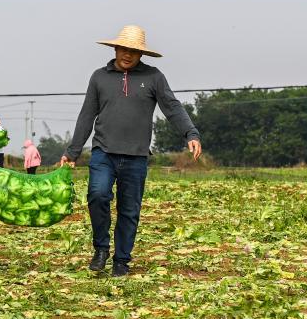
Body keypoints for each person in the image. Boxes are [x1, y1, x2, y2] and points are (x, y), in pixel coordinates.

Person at [60, 25, 202, 277]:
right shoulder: (99, 77)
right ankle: (101, 248)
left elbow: (172, 107)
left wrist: (190, 133)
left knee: (129, 210)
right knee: (97, 195)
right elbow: (87, 115)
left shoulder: (154, 77)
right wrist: (72, 151)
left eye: (134, 51)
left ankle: (121, 260)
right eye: (123, 49)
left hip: (136, 156)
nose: (127, 55)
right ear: (115, 48)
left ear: (141, 54)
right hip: (103, 152)